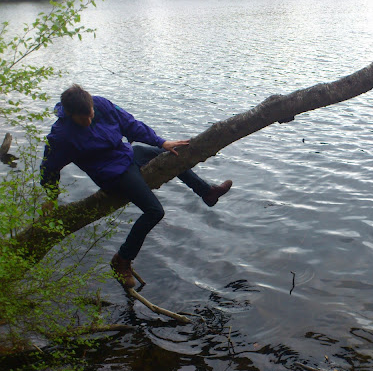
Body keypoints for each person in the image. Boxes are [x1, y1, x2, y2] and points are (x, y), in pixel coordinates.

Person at [40, 84, 232, 288]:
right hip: (112, 174)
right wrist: (52, 197)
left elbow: (130, 124)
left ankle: (207, 192)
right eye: (82, 119)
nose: (88, 121)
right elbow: (49, 168)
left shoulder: (101, 104)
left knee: (171, 154)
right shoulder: (61, 135)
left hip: (126, 155)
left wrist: (160, 141)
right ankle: (122, 260)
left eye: (91, 115)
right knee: (154, 211)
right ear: (70, 114)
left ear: (92, 105)